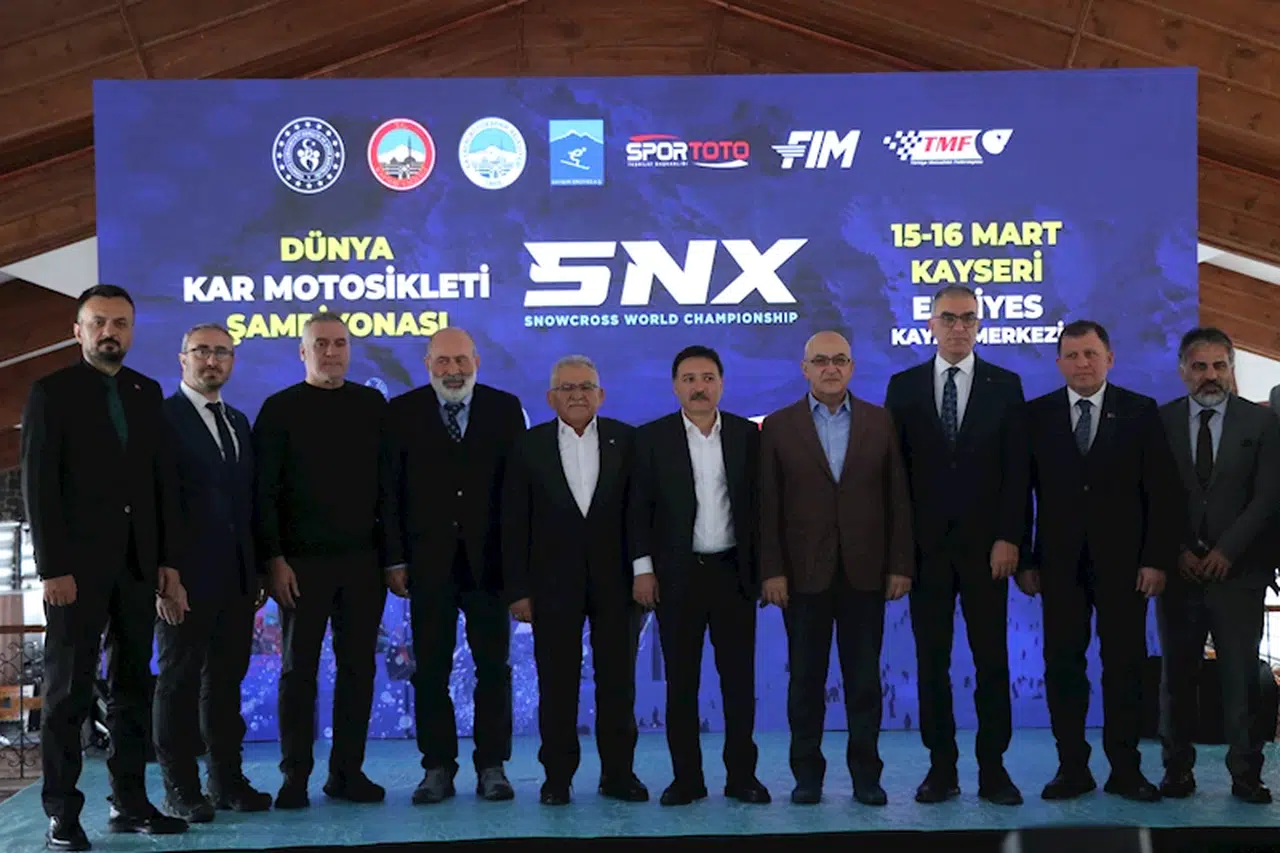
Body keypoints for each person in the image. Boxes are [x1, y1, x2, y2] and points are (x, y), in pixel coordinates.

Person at [21, 284, 189, 850]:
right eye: (98, 322)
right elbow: (38, 485)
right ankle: (61, 813)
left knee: (133, 688)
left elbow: (160, 482)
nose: (109, 332)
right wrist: (52, 568)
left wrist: (168, 562)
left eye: (119, 323)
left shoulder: (147, 392)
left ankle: (130, 803)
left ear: (132, 331)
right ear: (78, 331)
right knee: (67, 693)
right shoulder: (51, 392)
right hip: (74, 571)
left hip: (138, 567)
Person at [1019, 320, 1179, 802]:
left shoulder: (1140, 411)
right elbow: (1018, 493)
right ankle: (1072, 768)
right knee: (1063, 667)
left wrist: (1155, 560)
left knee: (1124, 668)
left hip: (1126, 567)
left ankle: (1125, 769)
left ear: (1109, 358)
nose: (1082, 363)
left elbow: (1162, 493)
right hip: (1058, 567)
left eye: (1090, 354)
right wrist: (1025, 558)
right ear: (1058, 363)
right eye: (1072, 355)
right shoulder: (1036, 415)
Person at [883, 284, 1028, 806]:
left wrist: (1009, 537)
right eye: (948, 318)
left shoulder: (1005, 385)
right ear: (931, 324)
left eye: (968, 318)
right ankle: (940, 768)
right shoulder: (903, 387)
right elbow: (893, 480)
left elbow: (1017, 471)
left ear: (980, 324)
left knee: (992, 662)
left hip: (989, 552)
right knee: (932, 663)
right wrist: (899, 554)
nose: (958, 327)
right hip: (925, 555)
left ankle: (994, 770)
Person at [759, 330, 914, 806]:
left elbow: (897, 497)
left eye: (840, 360)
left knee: (864, 682)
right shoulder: (778, 426)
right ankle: (807, 777)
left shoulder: (879, 421)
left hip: (866, 572)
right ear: (804, 368)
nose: (831, 368)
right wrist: (772, 571)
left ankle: (867, 776)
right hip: (801, 575)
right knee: (805, 682)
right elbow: (767, 505)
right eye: (821, 360)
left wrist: (899, 564)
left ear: (852, 367)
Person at [382, 328, 525, 804]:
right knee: (430, 671)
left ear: (476, 362)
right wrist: (395, 559)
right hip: (427, 567)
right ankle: (437, 768)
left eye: (461, 360)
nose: (453, 370)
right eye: (443, 361)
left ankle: (492, 766)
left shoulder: (505, 409)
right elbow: (390, 492)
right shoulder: (401, 413)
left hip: (491, 567)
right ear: (428, 364)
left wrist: (518, 566)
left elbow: (517, 493)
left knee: (494, 669)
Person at [252, 312, 389, 808]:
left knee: (358, 670)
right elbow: (263, 494)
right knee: (297, 672)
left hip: (363, 563)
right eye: (321, 344)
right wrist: (274, 559)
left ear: (349, 350)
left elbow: (389, 489)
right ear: (302, 352)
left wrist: (392, 559)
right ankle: (295, 777)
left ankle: (347, 773)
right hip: (300, 567)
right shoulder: (279, 409)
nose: (331, 352)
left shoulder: (372, 406)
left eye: (339, 344)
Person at [502, 355, 648, 806]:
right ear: (551, 398)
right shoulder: (528, 446)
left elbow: (640, 515)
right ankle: (557, 778)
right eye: (567, 388)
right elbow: (514, 522)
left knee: (618, 683)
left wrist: (643, 572)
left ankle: (618, 774)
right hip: (551, 587)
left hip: (618, 585)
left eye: (585, 387)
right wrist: (518, 590)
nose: (577, 395)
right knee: (557, 684)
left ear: (600, 395)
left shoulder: (628, 440)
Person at [629, 345, 770, 807]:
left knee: (739, 683)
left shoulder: (748, 436)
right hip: (677, 577)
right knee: (681, 684)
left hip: (733, 574)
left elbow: (763, 509)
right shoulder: (651, 439)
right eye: (689, 379)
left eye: (707, 378)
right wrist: (644, 570)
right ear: (675, 387)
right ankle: (686, 779)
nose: (699, 387)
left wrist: (768, 570)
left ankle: (742, 777)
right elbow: (637, 511)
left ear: (721, 384)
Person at [153, 323, 273, 821]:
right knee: (178, 683)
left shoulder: (238, 421)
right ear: (183, 359)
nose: (212, 360)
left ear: (232, 361)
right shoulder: (162, 419)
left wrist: (258, 569)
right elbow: (154, 501)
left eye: (221, 352)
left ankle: (225, 781)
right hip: (182, 579)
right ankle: (180, 787)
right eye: (201, 351)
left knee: (225, 685)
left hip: (237, 579)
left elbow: (248, 503)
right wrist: (165, 573)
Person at [1157, 327, 1279, 805]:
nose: (1210, 375)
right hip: (1179, 574)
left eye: (1219, 365)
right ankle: (1176, 770)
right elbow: (1153, 496)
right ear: (1182, 370)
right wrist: (1179, 551)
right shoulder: (1161, 421)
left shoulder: (1263, 423)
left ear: (1231, 368)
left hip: (1240, 573)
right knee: (1176, 678)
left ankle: (1246, 774)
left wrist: (1227, 551)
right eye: (1199, 366)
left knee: (1242, 680)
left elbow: (1267, 497)